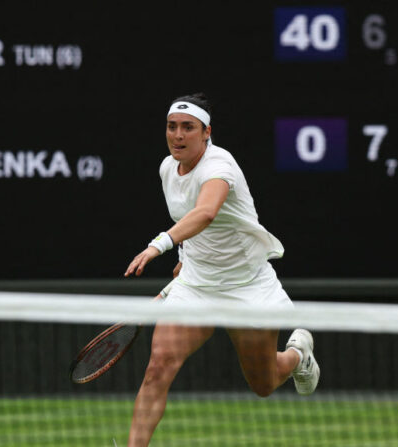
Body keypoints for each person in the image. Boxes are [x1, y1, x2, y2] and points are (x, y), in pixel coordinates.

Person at [123, 93, 320, 446]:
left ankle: (298, 355)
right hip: (196, 286)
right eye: (172, 127)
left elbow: (206, 212)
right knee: (157, 369)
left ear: (206, 132)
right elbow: (191, 221)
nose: (178, 135)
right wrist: (184, 260)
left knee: (263, 384)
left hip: (247, 286)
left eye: (188, 128)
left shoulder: (219, 167)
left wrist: (160, 245)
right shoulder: (168, 167)